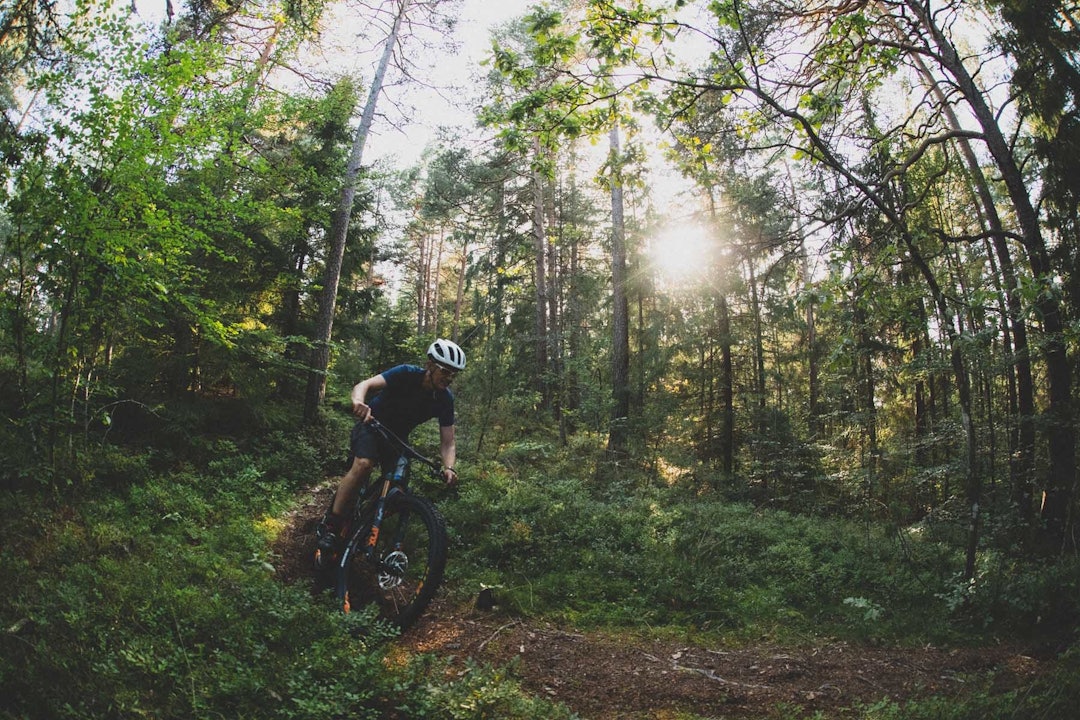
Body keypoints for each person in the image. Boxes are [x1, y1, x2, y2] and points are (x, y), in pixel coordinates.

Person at [316, 339, 465, 560]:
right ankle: (331, 525)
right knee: (364, 465)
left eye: (454, 374)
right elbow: (364, 385)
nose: (449, 377)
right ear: (430, 365)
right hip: (372, 425)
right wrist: (358, 402)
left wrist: (449, 467)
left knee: (398, 489)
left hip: (398, 440)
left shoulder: (445, 399)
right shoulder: (406, 373)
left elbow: (448, 441)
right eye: (445, 371)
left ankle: (369, 525)